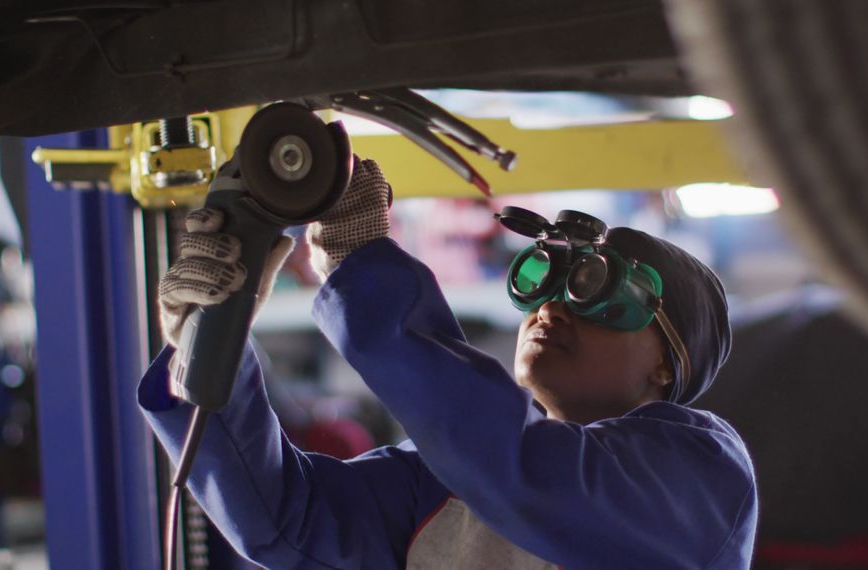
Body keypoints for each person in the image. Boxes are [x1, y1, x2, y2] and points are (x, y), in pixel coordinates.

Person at [139, 156, 758, 569]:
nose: (549, 309)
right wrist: (205, 343)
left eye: (592, 288)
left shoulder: (700, 472)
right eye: (543, 283)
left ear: (665, 365)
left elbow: (522, 476)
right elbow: (283, 520)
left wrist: (360, 267)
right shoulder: (442, 483)